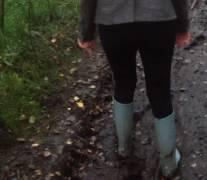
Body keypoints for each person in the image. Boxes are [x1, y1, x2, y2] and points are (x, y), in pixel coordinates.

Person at [78, 0, 191, 177]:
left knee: (122, 83)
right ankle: (168, 162)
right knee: (160, 89)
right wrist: (182, 26)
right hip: (159, 18)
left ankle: (124, 147)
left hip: (112, 20)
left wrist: (86, 32)